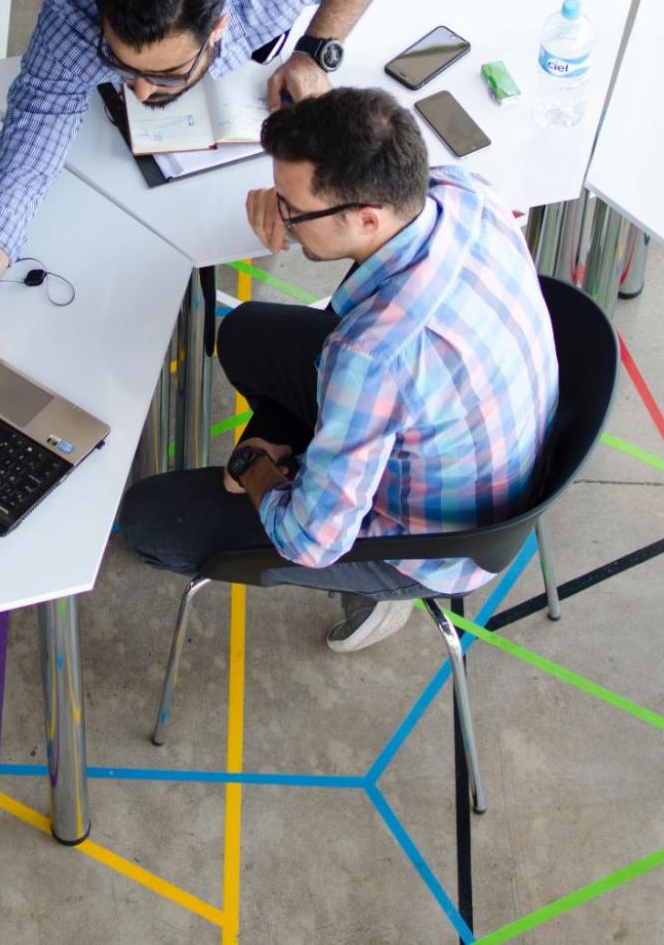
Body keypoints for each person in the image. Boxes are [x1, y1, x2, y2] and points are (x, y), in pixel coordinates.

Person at [0, 0, 419, 404]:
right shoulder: (74, 12)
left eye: (165, 75)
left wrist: (317, 48)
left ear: (219, 29)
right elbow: (18, 175)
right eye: (121, 66)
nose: (139, 92)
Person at [118, 88, 560, 652]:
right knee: (245, 334)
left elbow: (309, 540)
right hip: (487, 445)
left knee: (149, 519)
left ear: (366, 217)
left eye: (292, 209)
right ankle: (319, 462)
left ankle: (375, 593)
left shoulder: (371, 355)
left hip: (431, 544)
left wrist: (255, 465)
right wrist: (283, 200)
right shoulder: (461, 191)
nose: (282, 218)